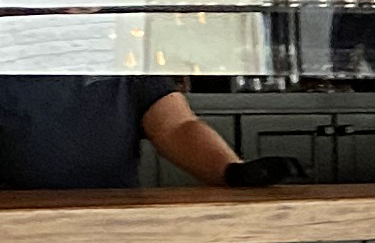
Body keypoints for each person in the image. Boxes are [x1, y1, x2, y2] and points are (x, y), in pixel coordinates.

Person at [0, 76, 294, 192]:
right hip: (15, 229)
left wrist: (230, 171)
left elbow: (176, 126)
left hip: (114, 223)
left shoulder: (121, 47)